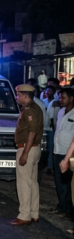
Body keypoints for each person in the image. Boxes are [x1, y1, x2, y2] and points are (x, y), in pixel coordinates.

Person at [10, 84, 44, 225]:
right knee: (32, 182)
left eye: (18, 95)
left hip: (27, 148)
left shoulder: (30, 110)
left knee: (24, 182)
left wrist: (25, 153)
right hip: (34, 149)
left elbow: (32, 133)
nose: (16, 97)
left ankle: (24, 215)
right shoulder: (34, 108)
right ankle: (34, 213)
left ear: (25, 96)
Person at [52, 88, 74, 217]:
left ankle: (69, 209)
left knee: (68, 182)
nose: (60, 100)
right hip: (58, 150)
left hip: (69, 153)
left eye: (63, 97)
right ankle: (62, 207)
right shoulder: (61, 111)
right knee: (59, 181)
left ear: (71, 98)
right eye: (60, 97)